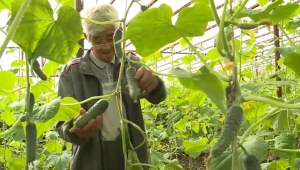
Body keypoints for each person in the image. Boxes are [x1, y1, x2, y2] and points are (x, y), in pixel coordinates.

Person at [55, 4, 167, 170]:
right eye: (97, 40)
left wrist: (155, 85)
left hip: (131, 152)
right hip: (90, 159)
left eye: (111, 37)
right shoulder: (72, 72)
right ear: (86, 37)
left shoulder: (132, 63)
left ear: (119, 31)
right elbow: (62, 124)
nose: (106, 46)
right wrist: (74, 129)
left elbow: (158, 97)